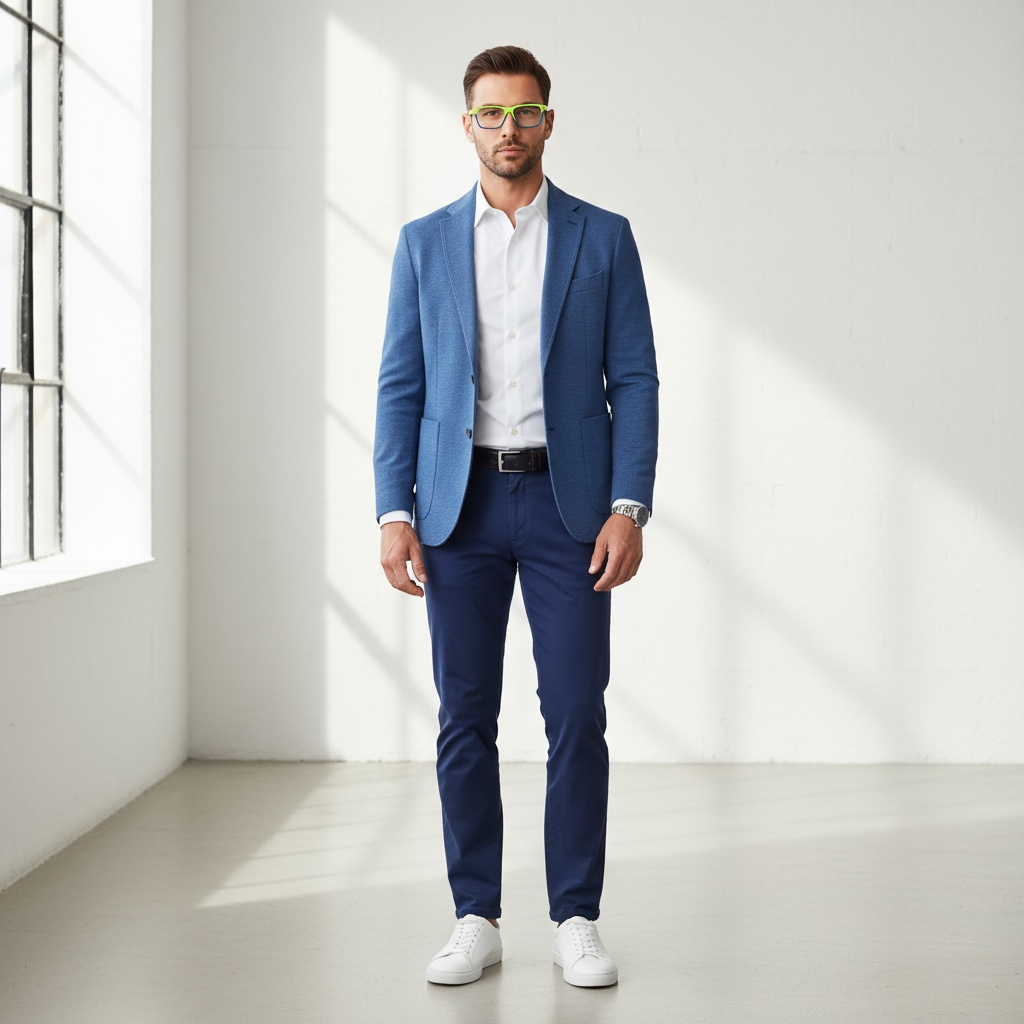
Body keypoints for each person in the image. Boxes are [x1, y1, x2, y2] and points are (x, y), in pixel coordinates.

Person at [373, 44, 658, 988]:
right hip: (458, 506)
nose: (508, 128)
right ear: (467, 126)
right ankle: (476, 915)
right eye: (490, 113)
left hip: (568, 506)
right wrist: (392, 510)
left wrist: (629, 503)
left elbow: (637, 379)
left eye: (525, 111)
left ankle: (576, 915)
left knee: (577, 711)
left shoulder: (602, 236)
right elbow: (400, 387)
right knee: (465, 718)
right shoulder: (424, 243)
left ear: (548, 120)